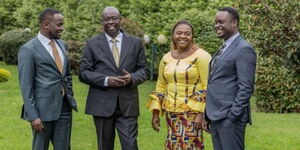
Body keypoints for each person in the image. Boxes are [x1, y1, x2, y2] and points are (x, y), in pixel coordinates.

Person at [79, 6, 149, 150]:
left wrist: (132, 78)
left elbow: (144, 70)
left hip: (127, 104)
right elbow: (84, 72)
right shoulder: (92, 43)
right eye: (107, 19)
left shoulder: (135, 43)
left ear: (120, 20)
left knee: (130, 145)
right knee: (105, 146)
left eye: (114, 18)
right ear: (102, 22)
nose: (111, 22)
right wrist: (106, 80)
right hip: (102, 104)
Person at [18, 8, 77, 150]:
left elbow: (66, 75)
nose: (62, 28)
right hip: (42, 112)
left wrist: (69, 94)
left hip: (64, 108)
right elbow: (26, 85)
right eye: (59, 25)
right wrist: (33, 116)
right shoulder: (29, 49)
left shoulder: (62, 45)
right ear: (46, 25)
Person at [147, 20, 211, 150]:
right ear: (173, 36)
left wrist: (201, 113)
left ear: (192, 36)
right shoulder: (166, 58)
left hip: (192, 114)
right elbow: (160, 87)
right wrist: (155, 113)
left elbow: (209, 86)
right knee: (172, 146)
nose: (183, 36)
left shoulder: (202, 57)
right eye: (179, 33)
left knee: (191, 147)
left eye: (187, 34)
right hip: (171, 114)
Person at [203, 7, 257, 150]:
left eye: (221, 22)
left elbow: (246, 87)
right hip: (215, 115)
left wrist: (232, 116)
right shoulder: (224, 47)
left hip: (230, 118)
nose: (216, 25)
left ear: (234, 23)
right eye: (215, 22)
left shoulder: (244, 49)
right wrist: (207, 114)